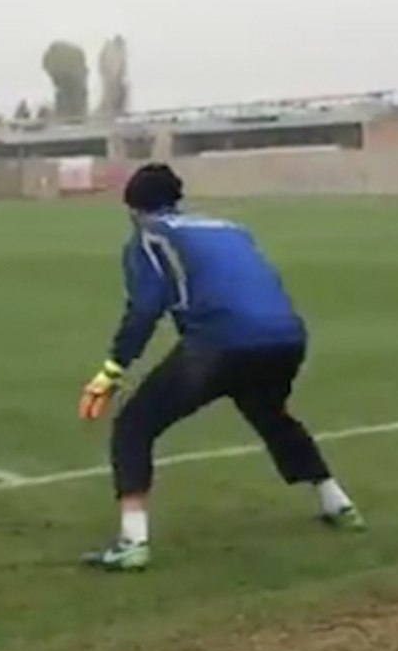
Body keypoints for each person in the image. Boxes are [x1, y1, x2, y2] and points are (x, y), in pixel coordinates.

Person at [78, 163, 364, 572]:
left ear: (133, 207)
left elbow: (144, 308)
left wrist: (111, 371)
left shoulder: (148, 237)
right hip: (286, 337)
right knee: (272, 416)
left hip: (222, 343)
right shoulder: (229, 227)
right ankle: (338, 504)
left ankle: (132, 541)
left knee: (134, 425)